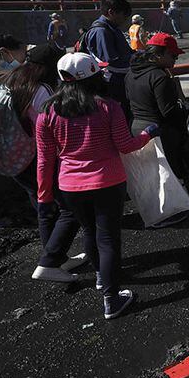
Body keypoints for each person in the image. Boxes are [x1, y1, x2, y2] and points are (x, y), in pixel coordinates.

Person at [36, 53, 157, 319]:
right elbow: (125, 145)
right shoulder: (108, 107)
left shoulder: (47, 113)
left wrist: (43, 195)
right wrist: (147, 135)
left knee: (89, 232)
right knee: (108, 239)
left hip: (70, 185)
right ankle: (111, 300)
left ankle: (102, 278)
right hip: (108, 182)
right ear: (93, 75)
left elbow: (45, 160)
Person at [0, 44, 85, 283]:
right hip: (38, 157)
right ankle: (50, 262)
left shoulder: (14, 81)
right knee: (70, 208)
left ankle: (56, 257)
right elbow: (50, 127)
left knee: (44, 207)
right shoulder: (42, 90)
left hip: (17, 156)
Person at [125, 33, 189, 181]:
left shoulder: (131, 73)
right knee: (168, 175)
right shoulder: (159, 77)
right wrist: (186, 112)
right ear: (159, 55)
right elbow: (168, 112)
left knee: (149, 175)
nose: (176, 59)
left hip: (136, 128)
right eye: (173, 55)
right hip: (159, 132)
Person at [83, 0, 135, 117]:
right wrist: (136, 58)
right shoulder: (102, 31)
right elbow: (110, 60)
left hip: (118, 80)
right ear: (111, 12)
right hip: (112, 82)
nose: (125, 20)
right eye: (123, 15)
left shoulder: (111, 28)